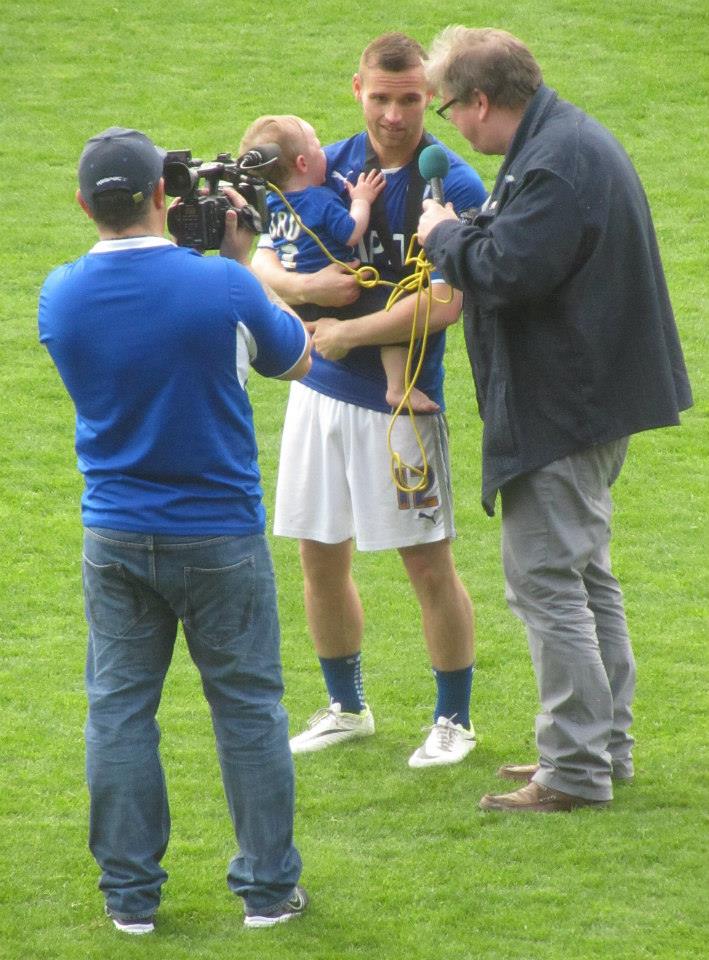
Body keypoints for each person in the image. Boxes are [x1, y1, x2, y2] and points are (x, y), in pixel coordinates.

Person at [38, 127, 312, 932]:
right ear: (163, 194)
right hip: (219, 535)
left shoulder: (60, 294)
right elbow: (294, 358)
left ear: (84, 204)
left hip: (115, 534)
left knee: (119, 712)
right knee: (248, 710)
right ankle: (267, 893)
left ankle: (129, 900)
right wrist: (237, 263)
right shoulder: (221, 285)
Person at [416, 27, 693, 811]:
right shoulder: (558, 144)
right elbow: (518, 246)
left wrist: (443, 236)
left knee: (546, 584)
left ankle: (573, 768)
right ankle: (600, 747)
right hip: (586, 400)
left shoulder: (553, 163)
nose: (449, 124)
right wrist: (469, 231)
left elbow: (507, 269)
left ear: (478, 100)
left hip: (563, 408)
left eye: (447, 107)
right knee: (583, 579)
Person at [251, 33, 488, 768]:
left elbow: (444, 304)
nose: (392, 115)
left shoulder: (454, 186)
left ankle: (454, 720)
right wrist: (304, 288)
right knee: (319, 559)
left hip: (402, 405)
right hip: (316, 396)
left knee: (428, 567)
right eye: (380, 98)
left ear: (431, 96)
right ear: (357, 89)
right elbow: (262, 254)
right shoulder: (323, 164)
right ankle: (347, 708)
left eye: (409, 99)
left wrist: (346, 333)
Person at [240, 113, 436, 413]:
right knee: (393, 303)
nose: (326, 153)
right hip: (342, 294)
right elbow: (351, 232)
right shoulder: (320, 200)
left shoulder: (272, 204)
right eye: (318, 146)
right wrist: (361, 200)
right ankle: (397, 388)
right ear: (303, 163)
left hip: (301, 304)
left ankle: (306, 329)